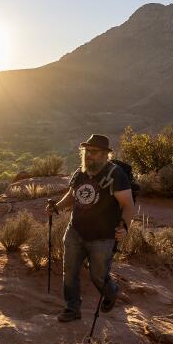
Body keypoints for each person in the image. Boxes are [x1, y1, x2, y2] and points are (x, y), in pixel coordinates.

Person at [45, 134, 135, 322]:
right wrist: (56, 207)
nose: (89, 156)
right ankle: (72, 308)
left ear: (105, 155)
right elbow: (72, 195)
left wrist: (125, 227)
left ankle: (111, 292)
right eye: (87, 152)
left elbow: (128, 204)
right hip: (75, 231)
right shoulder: (80, 172)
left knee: (98, 276)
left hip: (102, 237)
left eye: (94, 152)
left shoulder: (115, 175)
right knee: (69, 271)